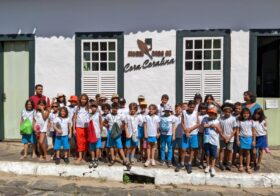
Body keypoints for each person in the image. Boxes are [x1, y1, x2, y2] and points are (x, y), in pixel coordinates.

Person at [105, 102, 131, 169]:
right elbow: (104, 122)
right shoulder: (108, 115)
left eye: (116, 108)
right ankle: (112, 159)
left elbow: (124, 124)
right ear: (111, 108)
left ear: (118, 109)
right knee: (111, 146)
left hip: (117, 133)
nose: (115, 109)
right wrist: (108, 127)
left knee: (120, 147)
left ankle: (125, 160)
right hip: (110, 133)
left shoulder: (120, 116)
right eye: (113, 108)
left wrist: (121, 129)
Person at [203, 106, 224, 177]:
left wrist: (216, 126)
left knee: (214, 155)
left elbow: (219, 131)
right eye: (210, 113)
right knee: (207, 153)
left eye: (213, 113)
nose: (211, 114)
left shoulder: (217, 121)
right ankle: (208, 165)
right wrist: (210, 125)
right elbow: (204, 126)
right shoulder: (205, 119)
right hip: (206, 139)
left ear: (215, 114)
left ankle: (212, 167)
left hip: (214, 140)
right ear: (208, 113)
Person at [181, 100, 200, 174]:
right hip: (185, 133)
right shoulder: (184, 112)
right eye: (190, 107)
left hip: (194, 133)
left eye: (193, 107)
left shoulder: (196, 113)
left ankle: (189, 163)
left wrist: (190, 129)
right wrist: (186, 131)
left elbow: (198, 123)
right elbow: (182, 123)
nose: (192, 108)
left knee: (192, 149)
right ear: (188, 106)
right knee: (184, 149)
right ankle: (182, 163)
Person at [218, 103, 237, 171]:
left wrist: (229, 137)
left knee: (229, 150)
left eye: (229, 112)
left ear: (231, 112)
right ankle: (220, 162)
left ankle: (229, 163)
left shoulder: (233, 119)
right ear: (223, 112)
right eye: (226, 112)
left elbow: (235, 129)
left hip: (230, 138)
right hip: (222, 137)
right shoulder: (220, 119)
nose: (227, 113)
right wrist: (223, 136)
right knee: (222, 150)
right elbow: (219, 128)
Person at [236, 108, 256, 174]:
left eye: (247, 113)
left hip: (249, 138)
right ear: (242, 114)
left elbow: (253, 132)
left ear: (249, 114)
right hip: (242, 138)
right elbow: (237, 131)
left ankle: (247, 166)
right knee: (241, 152)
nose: (246, 115)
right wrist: (238, 140)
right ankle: (241, 165)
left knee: (248, 152)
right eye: (244, 113)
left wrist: (254, 140)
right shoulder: (239, 121)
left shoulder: (252, 121)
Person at [73, 94, 90, 164]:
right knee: (79, 142)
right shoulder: (77, 108)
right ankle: (80, 157)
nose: (83, 100)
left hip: (87, 127)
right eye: (82, 99)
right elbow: (74, 118)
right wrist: (74, 128)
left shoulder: (89, 108)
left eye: (85, 99)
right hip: (78, 127)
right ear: (80, 99)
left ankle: (84, 156)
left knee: (86, 142)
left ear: (87, 100)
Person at [88, 102, 102, 168]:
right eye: (92, 107)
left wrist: (100, 131)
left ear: (97, 108)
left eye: (95, 107)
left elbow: (101, 123)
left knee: (97, 147)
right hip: (91, 134)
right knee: (92, 148)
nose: (93, 108)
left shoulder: (98, 114)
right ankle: (92, 159)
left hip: (97, 133)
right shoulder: (89, 115)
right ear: (90, 108)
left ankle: (96, 159)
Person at [197, 103, 208, 168]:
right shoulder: (198, 116)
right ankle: (197, 160)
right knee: (198, 148)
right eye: (201, 109)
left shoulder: (207, 116)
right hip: (198, 133)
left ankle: (202, 162)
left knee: (204, 148)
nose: (203, 110)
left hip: (206, 134)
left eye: (204, 109)